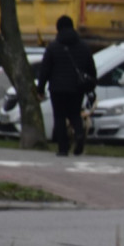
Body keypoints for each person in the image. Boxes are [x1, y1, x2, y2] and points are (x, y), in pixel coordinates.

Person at [37, 15, 96, 157]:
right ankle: (79, 135)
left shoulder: (53, 47)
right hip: (77, 88)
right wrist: (89, 86)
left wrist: (40, 89)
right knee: (75, 114)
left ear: (58, 29)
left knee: (59, 117)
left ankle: (63, 149)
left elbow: (45, 70)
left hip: (57, 88)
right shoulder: (83, 47)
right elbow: (92, 70)